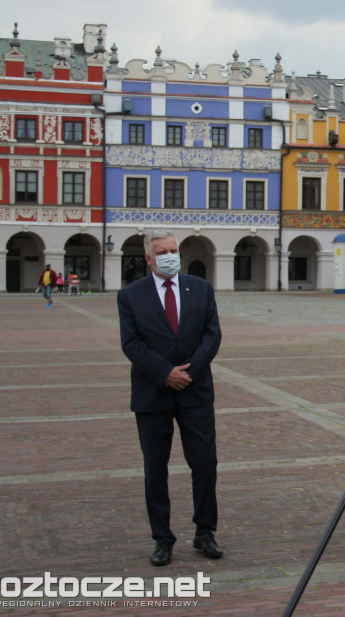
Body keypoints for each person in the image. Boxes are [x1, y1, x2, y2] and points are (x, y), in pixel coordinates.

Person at [117, 229, 223, 567]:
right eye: (162, 251)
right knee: (156, 469)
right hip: (153, 394)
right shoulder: (130, 295)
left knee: (205, 464)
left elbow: (212, 334)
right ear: (149, 258)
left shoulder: (201, 289)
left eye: (174, 249)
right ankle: (162, 538)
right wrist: (165, 373)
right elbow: (131, 343)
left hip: (196, 390)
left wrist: (188, 372)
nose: (170, 255)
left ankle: (205, 531)